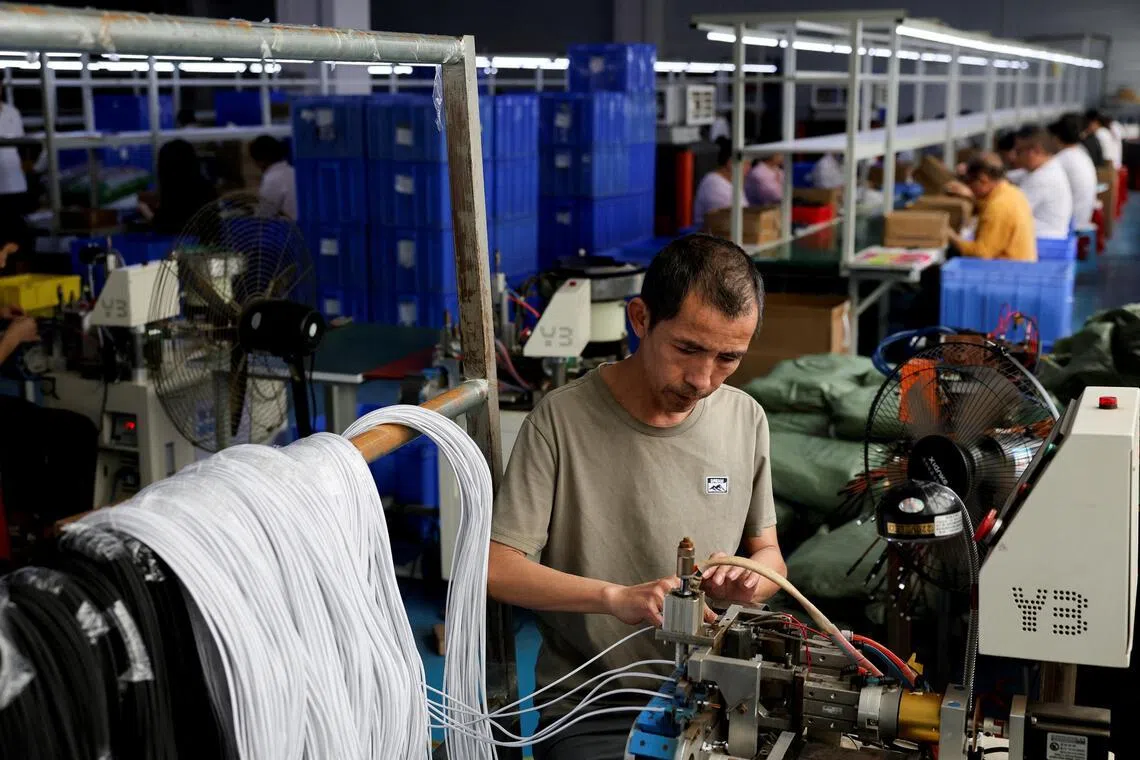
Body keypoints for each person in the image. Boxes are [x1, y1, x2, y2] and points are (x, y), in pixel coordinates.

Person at [488, 234, 785, 760]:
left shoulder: (746, 419)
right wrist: (614, 598)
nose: (701, 379)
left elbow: (768, 553)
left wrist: (753, 580)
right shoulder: (562, 421)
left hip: (714, 693)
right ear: (641, 318)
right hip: (595, 703)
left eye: (727, 358)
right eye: (687, 349)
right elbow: (496, 567)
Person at [944, 153, 1036, 261]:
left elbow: (981, 254)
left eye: (970, 183)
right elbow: (985, 207)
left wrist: (950, 236)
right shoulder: (1011, 192)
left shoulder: (998, 207)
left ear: (983, 180)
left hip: (1005, 270)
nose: (969, 187)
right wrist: (971, 197)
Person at [138, 139, 216, 235]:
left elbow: (163, 226)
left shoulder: (175, 194)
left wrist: (144, 209)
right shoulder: (206, 188)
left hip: (186, 245)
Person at [1011, 125, 1073, 239]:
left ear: (1035, 150)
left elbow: (1011, 211)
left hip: (1045, 240)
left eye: (1019, 151)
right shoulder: (1047, 167)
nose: (1014, 157)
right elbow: (1014, 176)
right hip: (1049, 233)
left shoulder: (1042, 178)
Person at [1048, 114, 1099, 229]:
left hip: (1073, 220)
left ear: (1056, 138)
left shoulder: (1063, 159)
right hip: (1084, 214)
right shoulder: (1081, 152)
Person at [693, 137, 745, 227]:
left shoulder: (731, 181)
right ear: (730, 163)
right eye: (746, 163)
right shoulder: (714, 185)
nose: (749, 168)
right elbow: (732, 220)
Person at [248, 135, 297, 220]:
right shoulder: (294, 172)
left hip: (288, 230)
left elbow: (264, 216)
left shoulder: (272, 179)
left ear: (260, 162)